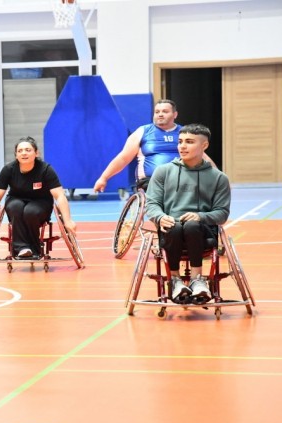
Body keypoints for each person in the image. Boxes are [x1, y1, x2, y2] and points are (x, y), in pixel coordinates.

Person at [144, 124, 230, 303]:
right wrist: (160, 217)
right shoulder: (163, 172)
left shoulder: (219, 178)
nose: (182, 146)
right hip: (170, 230)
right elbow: (152, 204)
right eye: (180, 141)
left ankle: (197, 280)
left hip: (203, 232)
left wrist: (201, 216)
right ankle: (175, 280)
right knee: (175, 227)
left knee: (192, 225)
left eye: (189, 142)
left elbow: (222, 213)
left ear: (204, 145)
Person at [0, 136, 77, 259]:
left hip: (41, 202)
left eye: (28, 150)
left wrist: (68, 221)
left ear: (36, 153)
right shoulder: (8, 170)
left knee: (30, 211)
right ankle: (22, 249)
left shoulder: (46, 169)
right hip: (16, 200)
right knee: (15, 207)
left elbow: (60, 196)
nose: (24, 153)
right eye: (20, 151)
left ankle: (35, 250)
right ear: (16, 155)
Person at [93, 99, 214, 193]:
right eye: (157, 112)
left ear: (175, 114)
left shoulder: (184, 133)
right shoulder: (142, 132)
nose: (160, 114)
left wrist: (219, 178)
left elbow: (202, 156)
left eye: (165, 112)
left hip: (182, 179)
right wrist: (104, 178)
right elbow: (123, 158)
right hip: (151, 181)